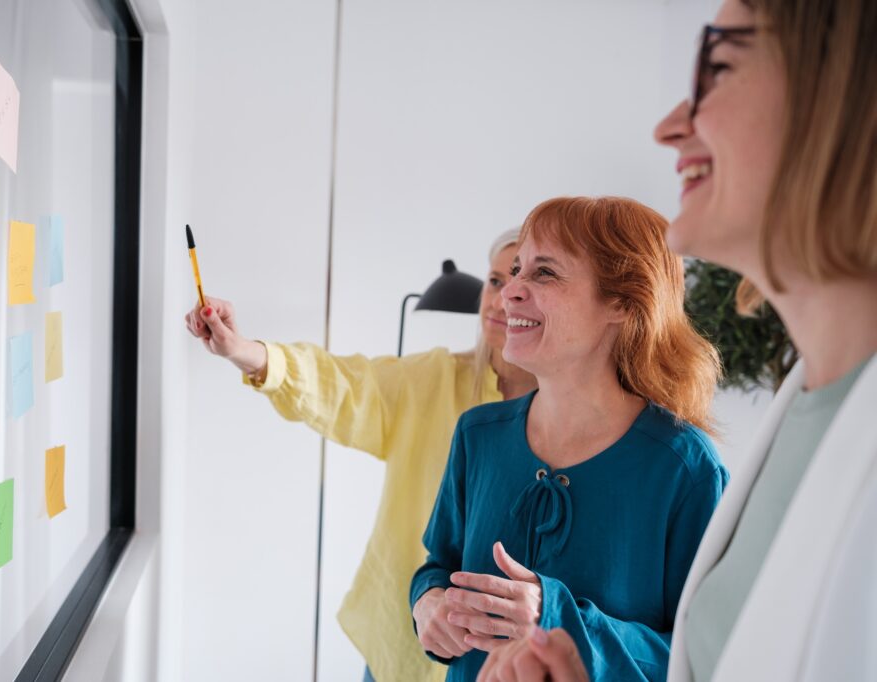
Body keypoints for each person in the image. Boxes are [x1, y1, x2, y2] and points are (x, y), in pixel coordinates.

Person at [478, 0, 877, 679]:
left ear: (843, 97)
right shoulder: (808, 412)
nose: (668, 128)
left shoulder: (684, 463)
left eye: (719, 66)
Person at [185, 229, 538, 682]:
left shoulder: (565, 417)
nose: (500, 299)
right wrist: (244, 352)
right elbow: (343, 384)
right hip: (402, 645)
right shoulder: (432, 379)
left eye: (517, 283)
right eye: (493, 281)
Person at [410, 196, 728, 682]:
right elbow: (439, 566)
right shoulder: (477, 436)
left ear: (622, 302)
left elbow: (702, 657)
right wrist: (427, 603)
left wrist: (554, 616)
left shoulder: (684, 468)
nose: (508, 292)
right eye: (516, 270)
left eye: (544, 273)